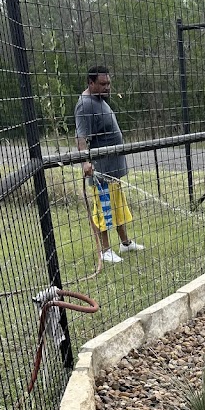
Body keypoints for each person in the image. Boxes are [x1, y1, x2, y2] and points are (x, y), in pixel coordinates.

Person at [75, 65, 145, 265]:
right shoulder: (85, 105)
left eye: (109, 83)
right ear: (91, 83)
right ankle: (105, 250)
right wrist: (85, 162)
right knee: (103, 209)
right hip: (101, 170)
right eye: (102, 84)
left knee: (118, 205)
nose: (107, 87)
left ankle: (125, 243)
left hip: (113, 169)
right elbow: (81, 138)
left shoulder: (99, 99)